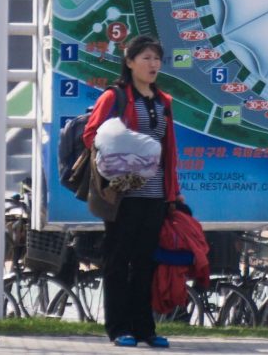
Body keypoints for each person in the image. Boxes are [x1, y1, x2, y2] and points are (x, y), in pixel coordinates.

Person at [83, 35, 180, 348]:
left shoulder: (163, 101)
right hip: (122, 195)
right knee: (118, 259)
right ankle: (118, 328)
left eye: (157, 59)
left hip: (154, 196)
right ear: (129, 62)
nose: (153, 65)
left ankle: (144, 328)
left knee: (145, 262)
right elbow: (91, 136)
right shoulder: (115, 97)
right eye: (146, 58)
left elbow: (169, 151)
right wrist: (123, 156)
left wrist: (172, 194)